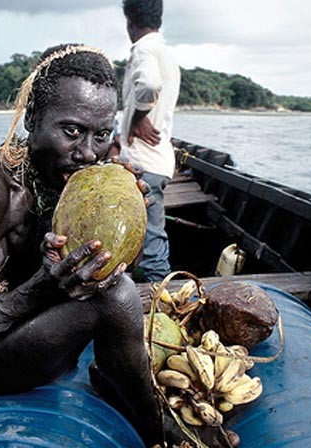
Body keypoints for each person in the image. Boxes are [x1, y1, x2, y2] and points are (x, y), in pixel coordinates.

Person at [0, 43, 237, 448]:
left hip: (52, 334)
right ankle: (158, 425)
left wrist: (130, 216)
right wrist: (47, 284)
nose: (86, 153)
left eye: (101, 135)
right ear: (33, 119)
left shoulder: (89, 179)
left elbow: (120, 267)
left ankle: (112, 375)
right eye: (71, 132)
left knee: (117, 288)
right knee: (116, 299)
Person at [115, 0, 181, 283]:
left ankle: (159, 301)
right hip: (158, 159)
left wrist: (140, 116)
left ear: (130, 21)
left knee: (152, 243)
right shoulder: (165, 52)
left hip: (145, 163)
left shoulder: (143, 49)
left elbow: (149, 85)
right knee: (148, 233)